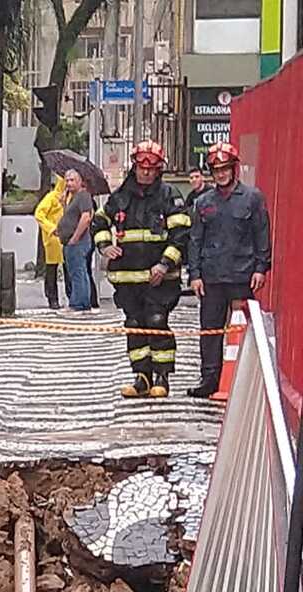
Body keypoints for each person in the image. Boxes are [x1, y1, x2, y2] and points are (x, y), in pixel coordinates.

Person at [92, 140, 191, 399]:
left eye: (152, 168)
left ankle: (162, 377)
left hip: (160, 279)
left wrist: (165, 264)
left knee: (157, 323)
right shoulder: (121, 195)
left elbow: (181, 235)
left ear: (159, 169)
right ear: (134, 167)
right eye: (141, 168)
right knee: (135, 326)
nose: (146, 173)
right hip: (127, 278)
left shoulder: (170, 195)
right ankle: (141, 377)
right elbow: (100, 220)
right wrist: (104, 246)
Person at [186, 142, 272, 398]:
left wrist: (261, 267)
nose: (221, 174)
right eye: (216, 169)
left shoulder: (252, 198)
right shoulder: (203, 202)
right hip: (211, 277)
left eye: (225, 169)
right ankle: (209, 378)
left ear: (234, 169)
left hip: (241, 276)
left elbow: (262, 235)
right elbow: (195, 240)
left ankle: (243, 380)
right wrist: (195, 274)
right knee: (210, 330)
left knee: (240, 330)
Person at [57, 169, 96, 313]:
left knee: (77, 272)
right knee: (77, 271)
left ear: (80, 181)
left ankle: (78, 303)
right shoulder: (72, 198)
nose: (68, 183)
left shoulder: (83, 196)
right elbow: (70, 218)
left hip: (78, 242)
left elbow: (86, 217)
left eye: (72, 180)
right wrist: (63, 205)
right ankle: (82, 302)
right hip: (69, 241)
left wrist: (75, 237)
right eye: (67, 180)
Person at [33, 175, 66, 309]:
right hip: (53, 238)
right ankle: (53, 299)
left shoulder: (71, 198)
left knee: (68, 270)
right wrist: (51, 228)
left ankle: (68, 297)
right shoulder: (52, 197)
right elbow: (39, 214)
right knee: (51, 269)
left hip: (67, 238)